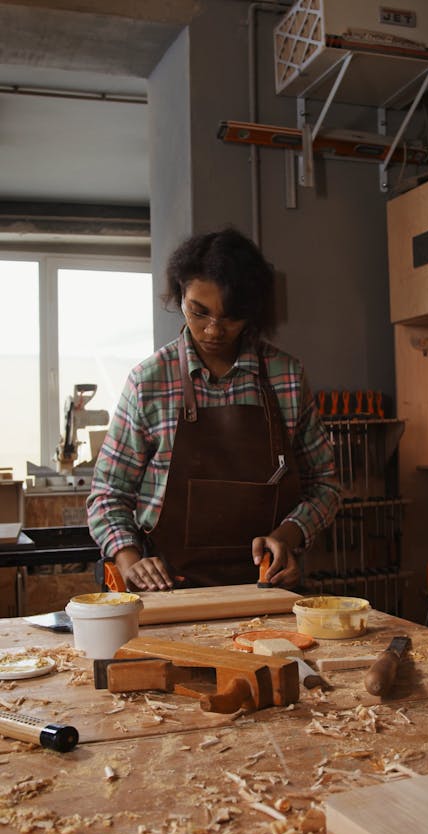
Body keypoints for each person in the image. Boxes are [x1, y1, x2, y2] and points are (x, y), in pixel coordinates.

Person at [87, 227, 342, 592]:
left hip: (265, 588)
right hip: (166, 589)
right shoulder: (149, 382)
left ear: (252, 312)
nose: (212, 330)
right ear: (180, 296)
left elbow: (325, 486)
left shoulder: (287, 377)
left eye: (230, 317)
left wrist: (288, 535)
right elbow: (108, 495)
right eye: (198, 311)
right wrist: (130, 561)